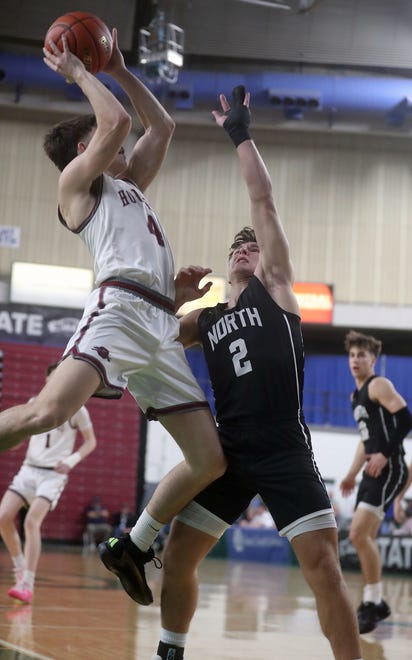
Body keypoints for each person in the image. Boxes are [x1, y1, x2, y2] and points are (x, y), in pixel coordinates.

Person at [0, 28, 226, 606]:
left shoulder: (128, 189)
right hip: (118, 311)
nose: (125, 154)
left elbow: (162, 128)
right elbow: (119, 125)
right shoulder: (78, 185)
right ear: (87, 150)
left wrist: (121, 67)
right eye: (108, 147)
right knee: (48, 409)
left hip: (157, 323)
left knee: (208, 459)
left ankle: (134, 543)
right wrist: (78, 72)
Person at [150, 87, 362, 660]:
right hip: (229, 451)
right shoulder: (208, 316)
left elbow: (262, 202)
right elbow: (154, 339)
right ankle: (172, 650)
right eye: (237, 246)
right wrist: (174, 297)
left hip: (284, 445)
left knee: (322, 568)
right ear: (227, 264)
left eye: (252, 245)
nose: (246, 247)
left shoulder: (280, 295)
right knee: (177, 559)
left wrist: (240, 135)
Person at [0, 362, 96, 604]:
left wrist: (71, 460)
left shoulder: (77, 409)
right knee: (2, 518)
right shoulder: (33, 403)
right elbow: (21, 433)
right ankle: (19, 567)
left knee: (32, 521)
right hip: (29, 469)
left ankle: (27, 584)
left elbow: (90, 442)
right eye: (52, 378)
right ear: (47, 381)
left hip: (53, 475)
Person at [340, 330, 411, 634]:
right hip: (371, 470)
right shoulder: (355, 396)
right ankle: (375, 602)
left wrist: (384, 453)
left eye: (362, 355)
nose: (356, 360)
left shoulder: (379, 385)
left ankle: (372, 603)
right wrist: (351, 473)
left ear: (373, 359)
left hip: (390, 466)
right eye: (352, 355)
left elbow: (407, 418)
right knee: (359, 536)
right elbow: (364, 440)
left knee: (358, 533)